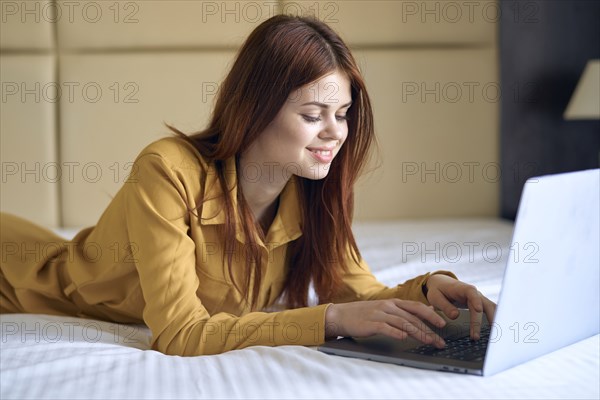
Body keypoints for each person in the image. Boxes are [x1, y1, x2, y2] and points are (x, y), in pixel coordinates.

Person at [0, 14, 495, 356]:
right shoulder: (166, 169)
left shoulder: (310, 186)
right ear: (256, 109)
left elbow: (355, 291)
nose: (335, 133)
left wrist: (433, 289)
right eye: (312, 114)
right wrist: (328, 322)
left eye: (341, 115)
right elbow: (181, 333)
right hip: (18, 279)